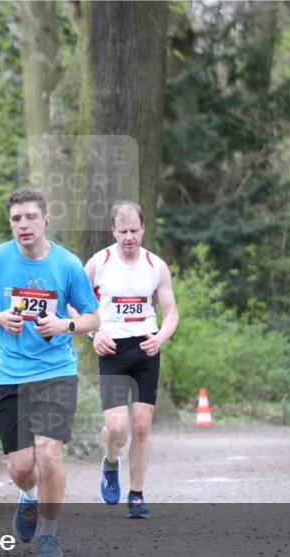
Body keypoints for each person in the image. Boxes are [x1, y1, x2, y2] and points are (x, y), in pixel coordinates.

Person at [0, 187, 100, 557]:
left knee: (49, 454)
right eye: (15, 219)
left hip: (56, 371)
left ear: (45, 219)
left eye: (29, 217)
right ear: (10, 224)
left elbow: (93, 317)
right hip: (10, 373)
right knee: (23, 467)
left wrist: (64, 325)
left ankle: (50, 534)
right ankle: (28, 496)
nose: (23, 225)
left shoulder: (68, 264)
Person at [83, 202, 178, 519]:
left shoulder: (156, 265)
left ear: (143, 229)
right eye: (122, 231)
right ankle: (111, 462)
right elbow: (74, 304)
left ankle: (136, 494)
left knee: (141, 424)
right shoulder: (100, 263)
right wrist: (93, 336)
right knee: (116, 426)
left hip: (146, 348)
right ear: (113, 231)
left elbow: (171, 314)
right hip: (111, 349)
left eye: (134, 231)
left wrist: (160, 337)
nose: (129, 237)